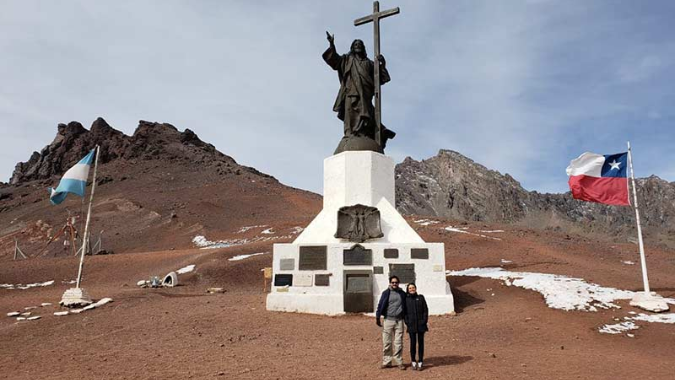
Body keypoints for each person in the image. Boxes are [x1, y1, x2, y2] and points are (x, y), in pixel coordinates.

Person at [322, 31, 396, 153]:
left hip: (365, 95)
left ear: (363, 48)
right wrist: (332, 45)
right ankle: (349, 134)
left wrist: (382, 65)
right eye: (355, 44)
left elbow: (381, 78)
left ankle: (365, 133)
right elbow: (335, 61)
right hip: (350, 92)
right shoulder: (347, 59)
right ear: (352, 47)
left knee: (365, 115)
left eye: (360, 44)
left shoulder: (370, 64)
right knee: (350, 114)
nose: (357, 45)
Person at [376, 275, 407, 370]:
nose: (394, 284)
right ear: (390, 283)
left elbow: (406, 305)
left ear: (398, 283)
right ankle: (387, 361)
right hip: (388, 320)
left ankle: (399, 361)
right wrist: (378, 317)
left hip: (399, 321)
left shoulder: (402, 293)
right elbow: (380, 304)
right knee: (387, 342)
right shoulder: (386, 293)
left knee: (398, 343)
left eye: (396, 282)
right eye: (393, 282)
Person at [404, 283, 429, 371]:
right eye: (410, 288)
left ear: (415, 288)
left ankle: (421, 361)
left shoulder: (421, 298)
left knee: (421, 343)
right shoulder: (406, 299)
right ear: (408, 289)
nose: (412, 289)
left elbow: (425, 310)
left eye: (413, 287)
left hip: (421, 324)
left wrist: (424, 321)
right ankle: (413, 360)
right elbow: (405, 312)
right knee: (413, 343)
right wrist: (407, 322)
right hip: (411, 325)